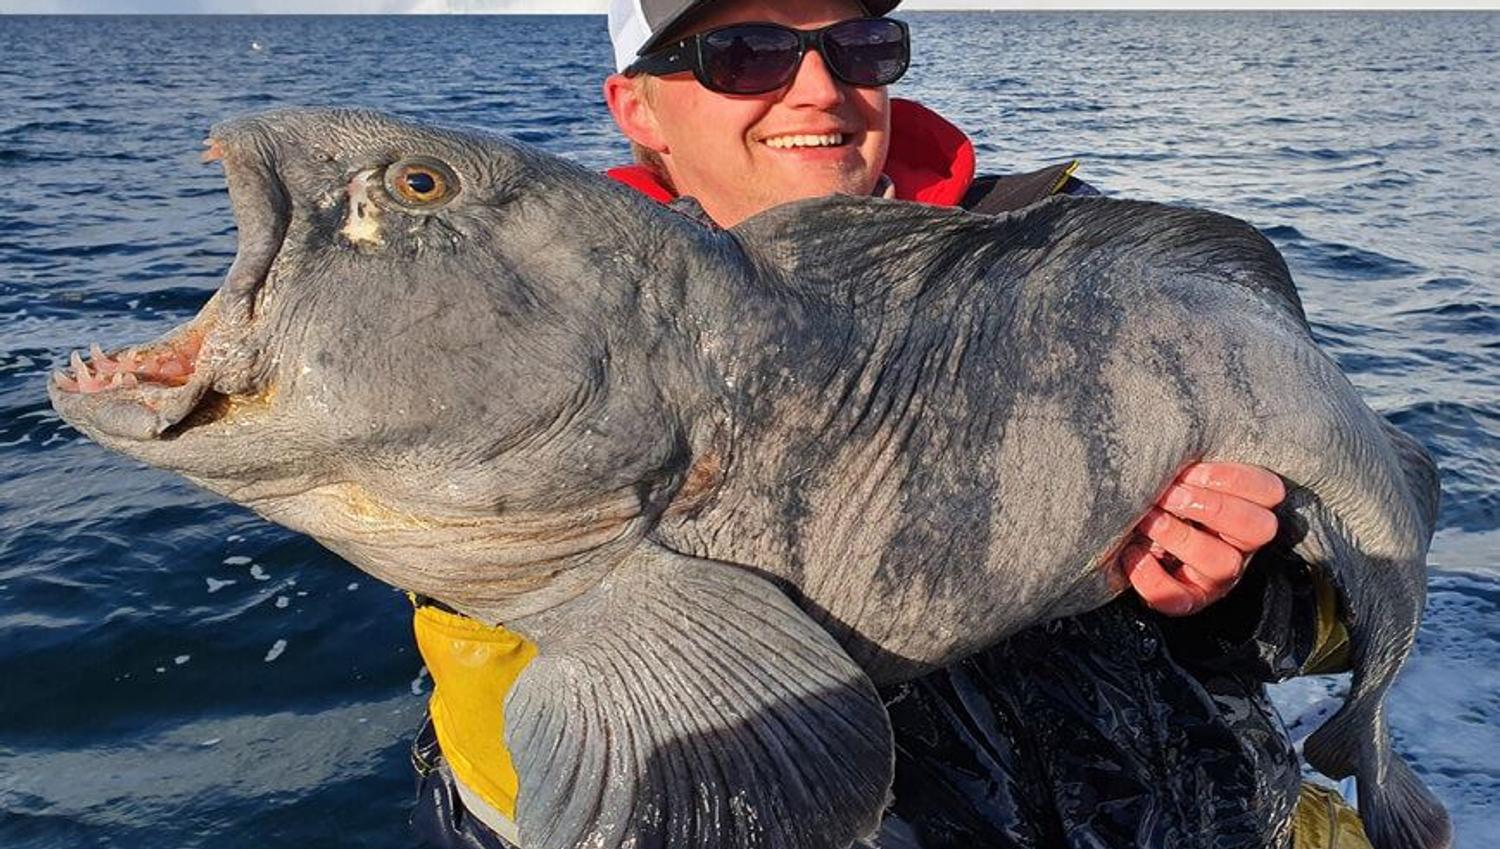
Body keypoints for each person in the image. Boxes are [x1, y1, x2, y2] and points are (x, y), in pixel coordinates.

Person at [408, 2, 1368, 847]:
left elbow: (1331, 625)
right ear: (638, 107)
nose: (820, 90)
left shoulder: (1083, 265)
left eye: (861, 47)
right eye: (746, 54)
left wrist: (1230, 590)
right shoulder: (533, 373)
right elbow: (535, 790)